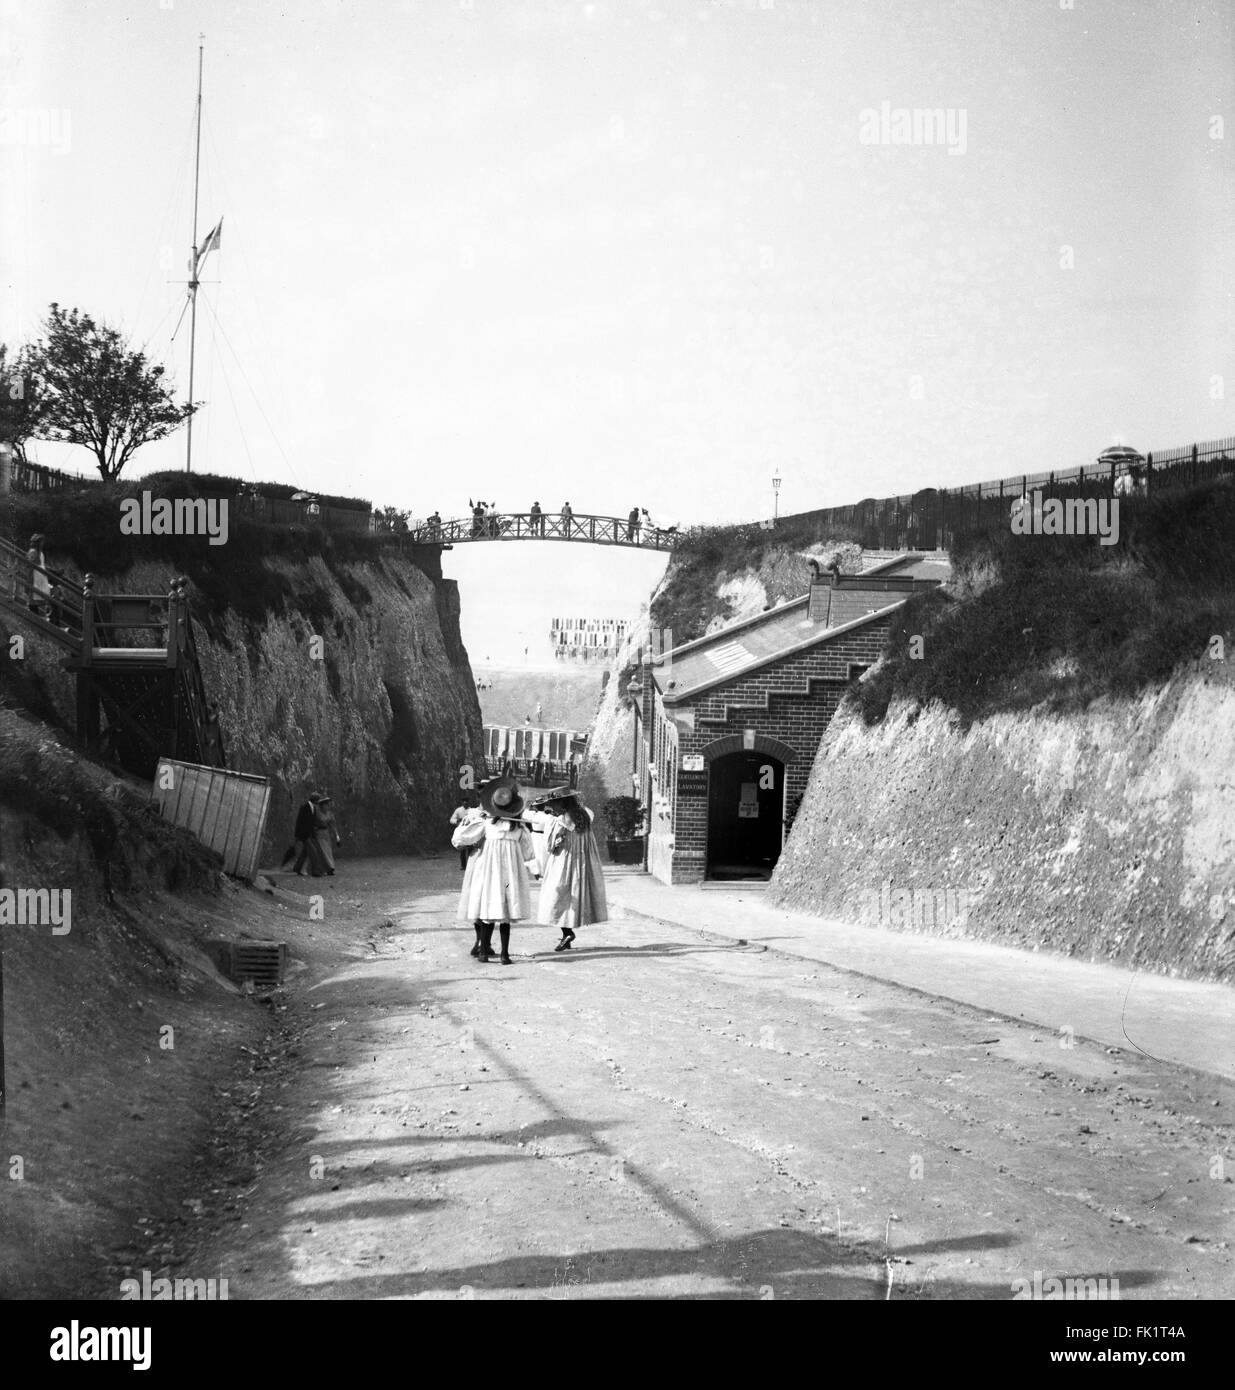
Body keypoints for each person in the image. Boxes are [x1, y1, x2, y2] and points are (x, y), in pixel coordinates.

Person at [455, 774, 537, 964]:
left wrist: (467, 826)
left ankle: (484, 952)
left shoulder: (485, 824)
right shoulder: (518, 828)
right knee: (505, 913)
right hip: (509, 874)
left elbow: (461, 838)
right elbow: (529, 852)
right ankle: (504, 955)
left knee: (488, 910)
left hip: (489, 872)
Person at [531, 787, 608, 952]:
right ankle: (567, 936)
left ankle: (567, 932)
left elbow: (550, 846)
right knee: (572, 895)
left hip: (563, 862)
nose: (553, 808)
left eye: (554, 804)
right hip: (583, 861)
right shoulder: (585, 815)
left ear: (562, 803)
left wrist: (556, 841)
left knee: (558, 896)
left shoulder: (557, 820)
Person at [282, 793, 319, 873]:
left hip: (308, 834)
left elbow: (312, 823)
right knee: (313, 852)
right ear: (315, 800)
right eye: (317, 800)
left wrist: (313, 834)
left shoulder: (313, 808)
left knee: (305, 853)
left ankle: (297, 868)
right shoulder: (304, 807)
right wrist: (297, 835)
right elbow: (299, 822)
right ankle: (315, 871)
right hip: (304, 835)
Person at [312, 792, 341, 876]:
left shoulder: (329, 814)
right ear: (322, 805)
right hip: (318, 833)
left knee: (328, 851)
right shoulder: (317, 813)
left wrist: (337, 836)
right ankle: (328, 868)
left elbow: (333, 825)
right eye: (326, 805)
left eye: (328, 805)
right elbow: (313, 822)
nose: (328, 806)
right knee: (322, 851)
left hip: (326, 833)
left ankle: (330, 867)